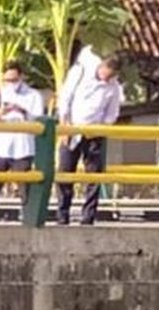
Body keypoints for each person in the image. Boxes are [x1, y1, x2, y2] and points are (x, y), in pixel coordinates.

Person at [56, 55, 122, 225]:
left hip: (94, 132)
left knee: (94, 176)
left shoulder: (114, 87)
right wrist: (64, 124)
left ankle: (88, 216)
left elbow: (112, 112)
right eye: (105, 75)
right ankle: (62, 214)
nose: (106, 79)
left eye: (110, 77)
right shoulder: (81, 71)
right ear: (101, 67)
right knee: (65, 172)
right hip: (72, 128)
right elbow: (66, 97)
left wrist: (101, 128)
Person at [0, 61, 44, 225]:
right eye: (7, 80)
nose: (11, 84)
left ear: (21, 77)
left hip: (23, 146)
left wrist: (23, 111)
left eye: (14, 79)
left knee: (25, 186)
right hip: (1, 146)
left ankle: (28, 219)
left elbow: (39, 121)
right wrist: (0, 113)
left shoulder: (33, 96)